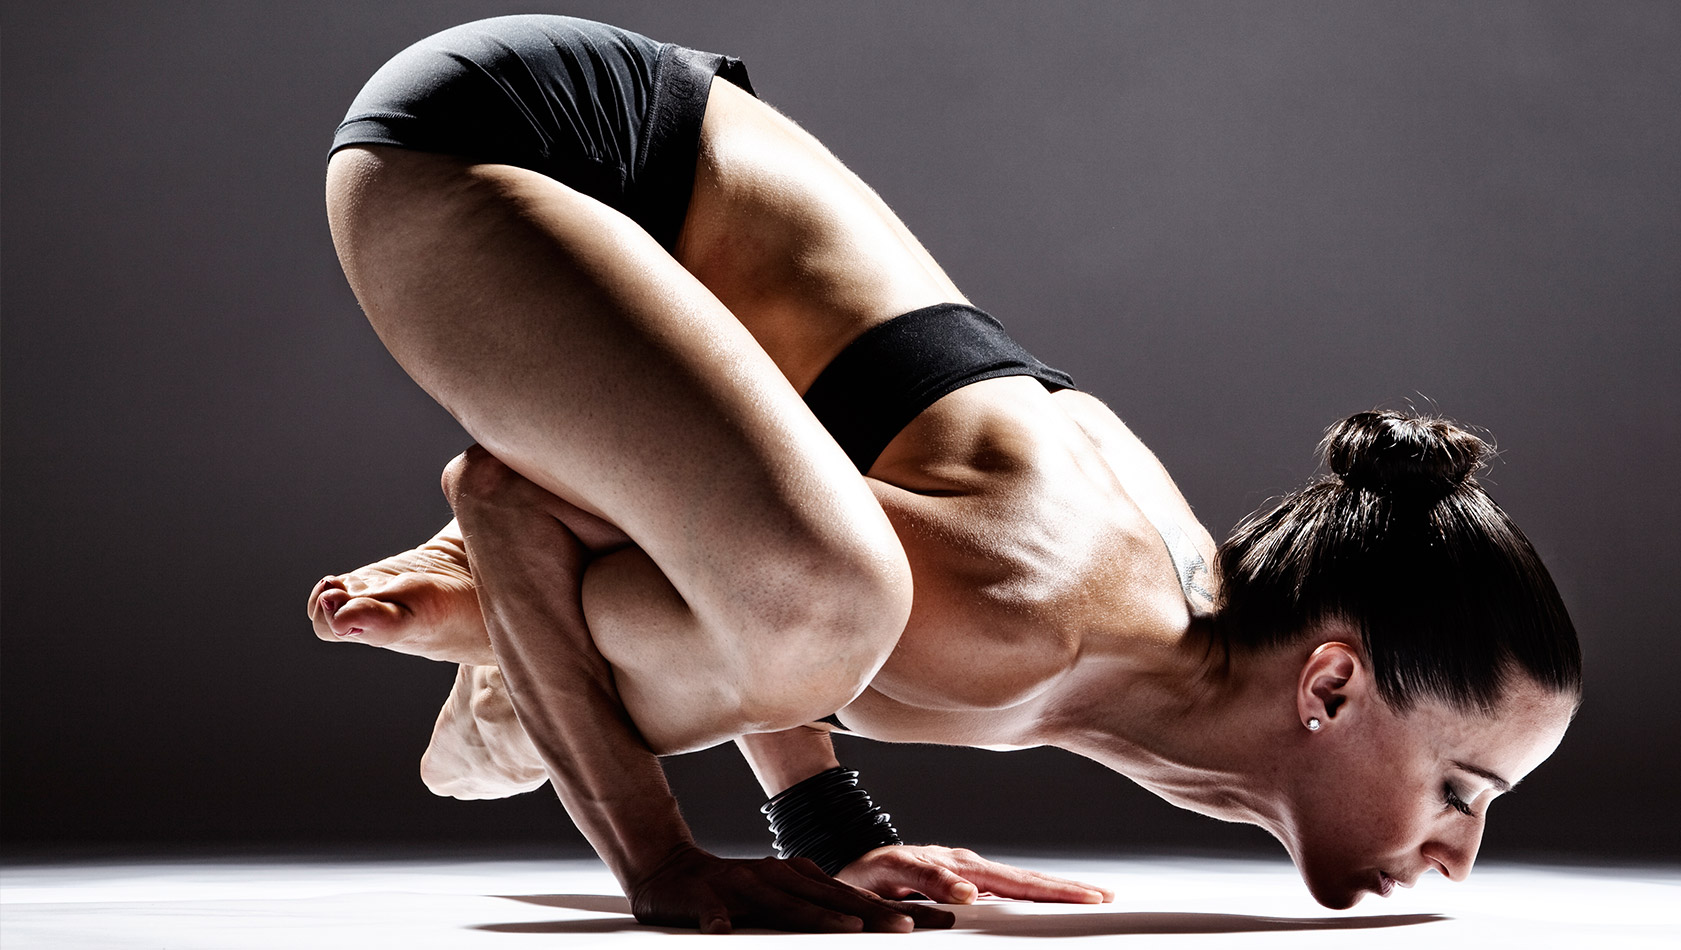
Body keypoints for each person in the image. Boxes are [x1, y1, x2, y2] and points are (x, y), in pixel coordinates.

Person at [310, 14, 1583, 935]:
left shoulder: (1166, 607)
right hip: (510, 139)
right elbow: (617, 520)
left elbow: (757, 529)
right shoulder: (1039, 618)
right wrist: (660, 861)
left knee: (811, 602)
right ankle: (497, 631)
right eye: (1463, 789)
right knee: (824, 609)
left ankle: (521, 662)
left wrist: (833, 835)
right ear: (1336, 678)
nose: (1460, 853)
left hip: (664, 224)